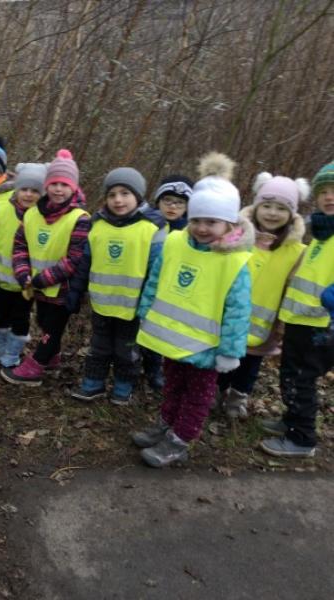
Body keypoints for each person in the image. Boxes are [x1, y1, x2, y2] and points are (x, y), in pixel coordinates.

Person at [132, 153, 253, 467]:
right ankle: (166, 424)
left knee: (197, 397)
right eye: (197, 220)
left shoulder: (235, 261)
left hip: (206, 348)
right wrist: (145, 312)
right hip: (171, 339)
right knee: (173, 386)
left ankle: (179, 440)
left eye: (211, 222)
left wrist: (230, 352)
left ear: (229, 223)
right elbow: (155, 280)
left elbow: (238, 312)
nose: (201, 227)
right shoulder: (175, 243)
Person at [68, 167, 166, 404]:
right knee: (98, 347)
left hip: (133, 308)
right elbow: (86, 262)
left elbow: (156, 271)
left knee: (127, 351)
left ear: (138, 196)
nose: (118, 200)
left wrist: (149, 304)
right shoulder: (97, 225)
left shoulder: (152, 228)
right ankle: (93, 384)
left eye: (125, 193)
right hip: (102, 303)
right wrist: (76, 291)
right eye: (112, 195)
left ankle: (123, 388)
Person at [216, 172, 308, 419]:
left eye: (281, 208)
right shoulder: (236, 235)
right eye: (266, 205)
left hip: (263, 326)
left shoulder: (296, 251)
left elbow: (292, 290)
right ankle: (216, 391)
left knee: (249, 366)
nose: (272, 213)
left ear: (291, 214)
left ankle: (237, 398)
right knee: (222, 359)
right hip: (227, 317)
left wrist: (283, 326)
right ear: (256, 207)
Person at [259, 162, 334, 457]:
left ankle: (303, 439)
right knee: (290, 373)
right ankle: (291, 421)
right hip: (300, 320)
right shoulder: (322, 233)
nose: (329, 197)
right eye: (323, 191)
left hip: (322, 326)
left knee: (303, 379)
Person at [1, 149, 90, 385]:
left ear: (73, 187)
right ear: (46, 186)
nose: (58, 189)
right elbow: (20, 246)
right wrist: (23, 274)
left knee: (52, 327)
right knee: (42, 321)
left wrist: (42, 278)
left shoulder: (80, 218)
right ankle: (52, 356)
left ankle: (36, 366)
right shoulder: (32, 214)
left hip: (64, 288)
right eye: (54, 184)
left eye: (64, 184)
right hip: (37, 286)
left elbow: (74, 259)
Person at [0, 163, 46, 367]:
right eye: (24, 189)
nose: (28, 194)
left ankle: (12, 354)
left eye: (35, 191)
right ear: (16, 189)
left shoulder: (43, 216)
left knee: (20, 318)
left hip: (27, 283)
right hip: (0, 277)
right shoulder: (0, 209)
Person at [142, 174, 194, 390]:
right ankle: (146, 367)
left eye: (180, 203)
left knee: (165, 331)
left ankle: (161, 371)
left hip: (174, 291)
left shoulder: (191, 232)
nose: (172, 207)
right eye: (167, 201)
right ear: (158, 201)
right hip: (145, 287)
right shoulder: (146, 224)